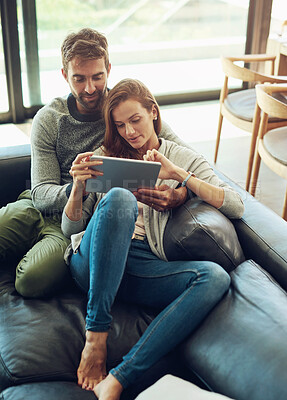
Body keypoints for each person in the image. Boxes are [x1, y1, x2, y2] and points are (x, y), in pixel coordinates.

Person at [61, 79, 244, 400]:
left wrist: (179, 177)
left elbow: (235, 204)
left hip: (137, 267)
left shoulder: (178, 157)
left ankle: (118, 378)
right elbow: (68, 229)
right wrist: (77, 188)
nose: (130, 132)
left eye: (135, 120)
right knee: (120, 199)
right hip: (90, 262)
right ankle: (96, 336)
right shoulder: (106, 157)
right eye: (120, 126)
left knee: (214, 278)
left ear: (153, 112)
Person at [0, 28, 187, 298]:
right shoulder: (50, 118)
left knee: (30, 281)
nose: (90, 89)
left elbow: (186, 158)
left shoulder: (125, 111)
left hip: (76, 222)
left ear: (109, 69)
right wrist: (76, 186)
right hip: (36, 205)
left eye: (98, 77)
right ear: (65, 75)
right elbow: (40, 194)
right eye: (79, 79)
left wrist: (180, 193)